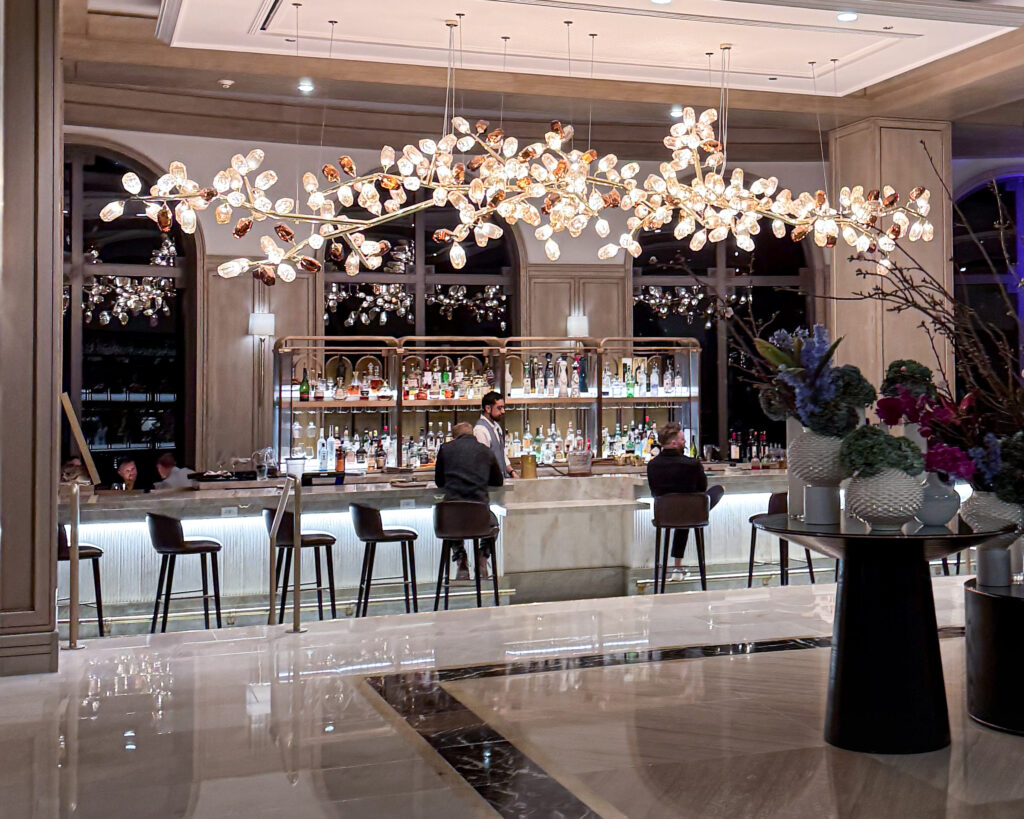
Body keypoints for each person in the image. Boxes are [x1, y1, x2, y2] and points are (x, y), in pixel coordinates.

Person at [646, 422, 723, 583]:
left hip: (664, 514)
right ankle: (677, 566)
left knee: (683, 506)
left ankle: (677, 567)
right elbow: (702, 488)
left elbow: (654, 492)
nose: (685, 442)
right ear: (674, 443)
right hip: (693, 514)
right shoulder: (692, 464)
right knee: (713, 493)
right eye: (682, 439)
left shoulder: (652, 465)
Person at [434, 421, 504, 581]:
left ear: (454, 438)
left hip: (450, 520)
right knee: (493, 524)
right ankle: (482, 559)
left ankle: (461, 560)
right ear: (473, 435)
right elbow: (498, 481)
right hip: (479, 517)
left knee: (452, 516)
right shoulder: (485, 451)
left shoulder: (445, 449)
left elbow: (439, 482)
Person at [474, 391, 516, 478]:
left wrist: (512, 472)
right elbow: (483, 461)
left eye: (503, 407)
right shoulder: (480, 430)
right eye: (499, 408)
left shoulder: (496, 427)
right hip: (490, 482)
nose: (503, 411)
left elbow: (501, 453)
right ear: (488, 408)